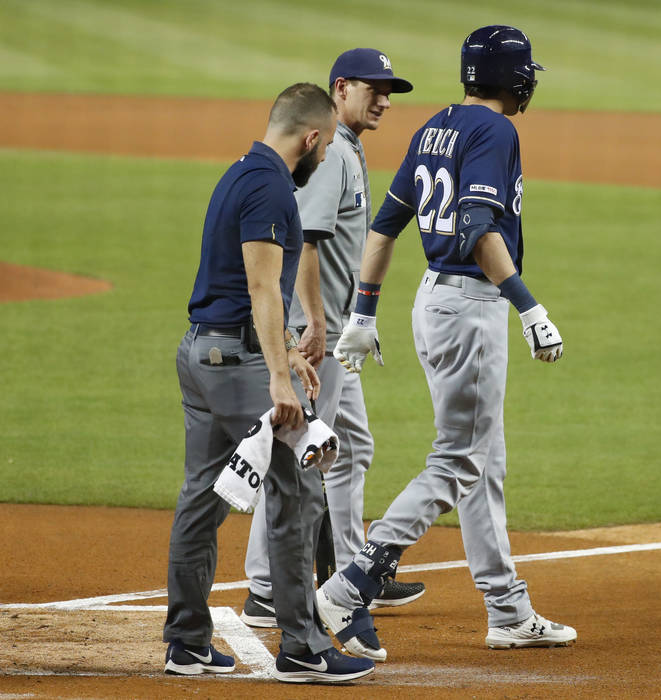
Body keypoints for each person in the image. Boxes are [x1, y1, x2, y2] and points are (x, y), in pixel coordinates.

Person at [312, 25, 576, 661]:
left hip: (429, 303)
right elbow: (480, 225)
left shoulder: (436, 125)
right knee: (457, 458)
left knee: (483, 462)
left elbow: (385, 226)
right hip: (470, 305)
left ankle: (507, 610)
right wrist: (528, 304)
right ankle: (352, 582)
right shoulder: (497, 131)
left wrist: (363, 313)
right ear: (514, 78)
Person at [163, 83, 374, 684]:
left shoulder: (240, 171)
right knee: (299, 489)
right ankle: (304, 647)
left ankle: (186, 642)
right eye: (327, 142)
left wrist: (282, 354)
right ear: (310, 138)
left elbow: (249, 287)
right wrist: (280, 377)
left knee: (202, 495)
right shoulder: (270, 186)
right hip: (238, 363)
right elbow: (260, 287)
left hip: (205, 353)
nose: (326, 152)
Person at [240, 49, 426, 631]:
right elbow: (311, 244)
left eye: (389, 91)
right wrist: (317, 323)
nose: (385, 101)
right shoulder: (333, 154)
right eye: (375, 89)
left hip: (337, 331)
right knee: (297, 451)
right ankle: (267, 587)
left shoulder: (346, 148)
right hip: (317, 334)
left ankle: (351, 573)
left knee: (353, 448)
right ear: (341, 88)